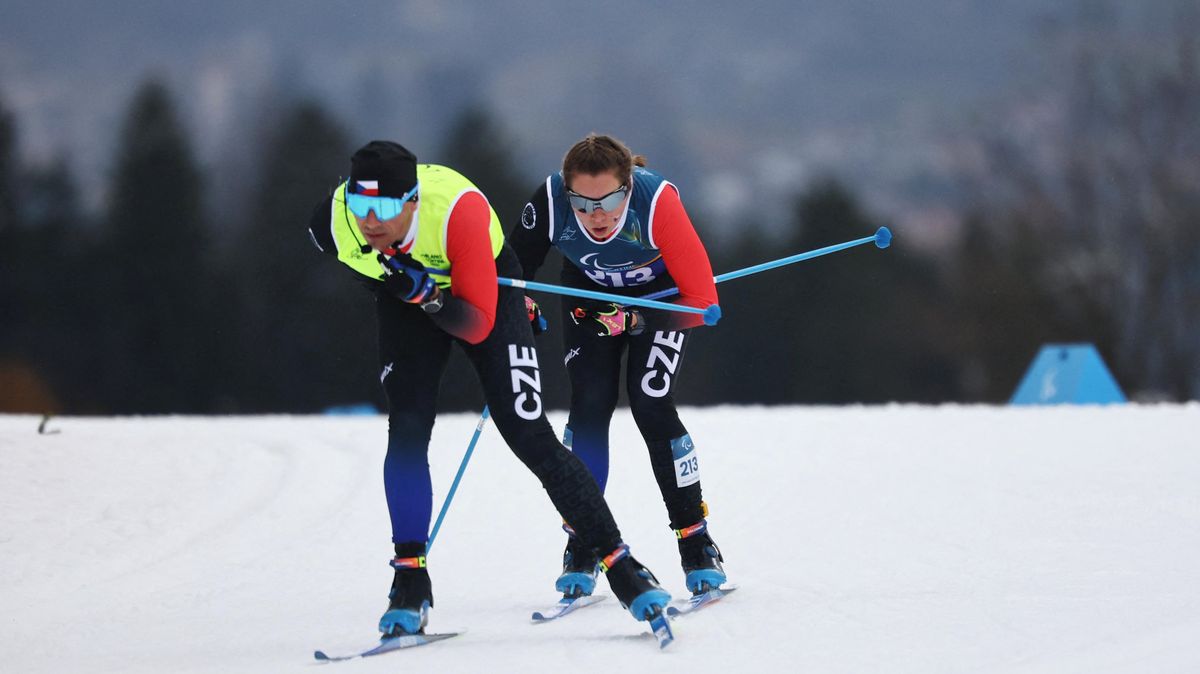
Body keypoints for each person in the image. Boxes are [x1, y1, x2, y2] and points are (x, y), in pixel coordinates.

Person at [307, 140, 671, 636]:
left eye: (385, 207)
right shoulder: (332, 222)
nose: (370, 221)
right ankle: (409, 581)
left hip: (483, 295)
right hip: (407, 298)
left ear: (412, 201)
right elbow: (348, 254)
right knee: (408, 428)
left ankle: (622, 567)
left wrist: (432, 297)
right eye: (360, 205)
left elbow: (475, 325)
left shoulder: (460, 212)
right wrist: (392, 287)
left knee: (528, 433)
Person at [508, 133, 727, 599]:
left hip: (664, 299)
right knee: (588, 405)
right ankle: (584, 542)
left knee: (649, 399)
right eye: (583, 204)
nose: (597, 215)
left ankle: (695, 539)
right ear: (568, 192)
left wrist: (635, 318)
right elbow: (509, 276)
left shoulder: (658, 203)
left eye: (609, 200)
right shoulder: (549, 202)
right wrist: (518, 304)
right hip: (589, 297)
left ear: (627, 187)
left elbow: (704, 303)